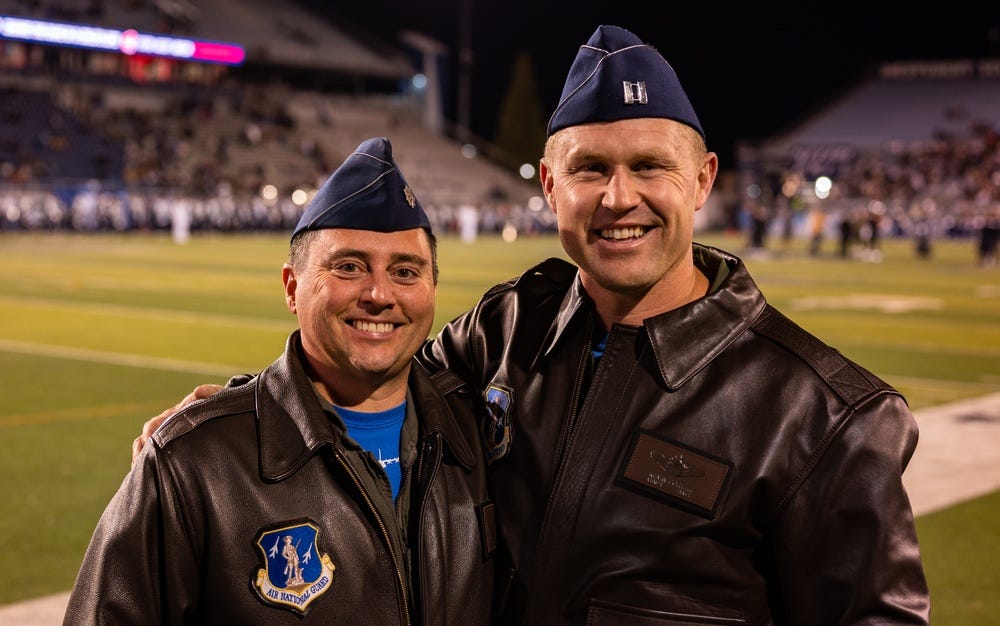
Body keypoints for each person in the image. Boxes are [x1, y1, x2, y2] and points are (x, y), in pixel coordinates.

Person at [135, 26, 930, 625]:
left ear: (701, 180)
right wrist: (245, 414)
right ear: (551, 185)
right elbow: (378, 382)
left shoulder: (825, 415)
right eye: (590, 169)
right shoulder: (512, 325)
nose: (619, 198)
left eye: (649, 165)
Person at [66, 138, 495, 625]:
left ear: (433, 289)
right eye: (349, 267)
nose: (380, 294)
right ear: (292, 288)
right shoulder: (193, 465)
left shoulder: (479, 434)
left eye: (405, 271)